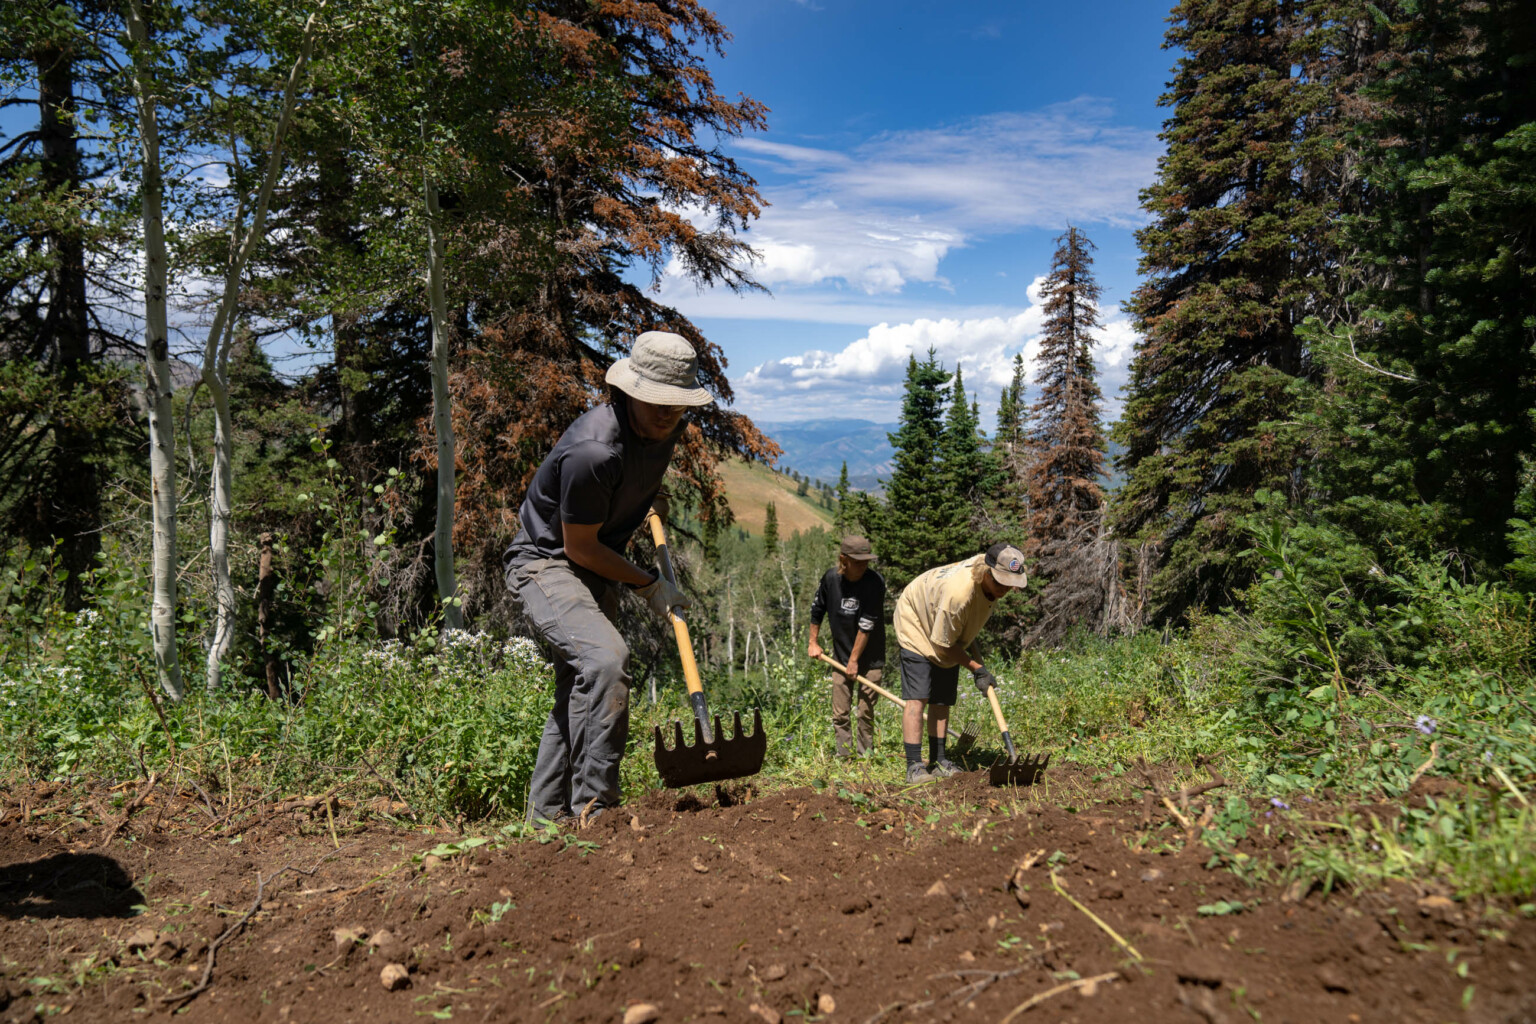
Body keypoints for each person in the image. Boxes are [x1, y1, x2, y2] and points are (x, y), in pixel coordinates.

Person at [505, 331, 713, 825]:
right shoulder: (594, 450)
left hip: (596, 561)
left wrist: (647, 496)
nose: (667, 413)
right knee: (606, 662)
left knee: (580, 690)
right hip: (547, 562)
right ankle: (597, 810)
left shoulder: (665, 427)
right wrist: (649, 584)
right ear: (629, 391)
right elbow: (579, 546)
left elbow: (638, 473)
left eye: (677, 404)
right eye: (657, 401)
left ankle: (545, 818)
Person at [892, 543, 1028, 783]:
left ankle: (938, 761)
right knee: (918, 697)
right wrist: (976, 669)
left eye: (1010, 583)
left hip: (943, 622)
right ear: (987, 573)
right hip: (916, 620)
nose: (1005, 589)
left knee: (942, 698)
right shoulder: (959, 595)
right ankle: (914, 766)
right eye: (1001, 583)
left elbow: (952, 635)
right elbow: (943, 645)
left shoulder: (990, 568)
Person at [807, 536, 887, 758]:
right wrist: (813, 642)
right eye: (858, 561)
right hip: (840, 657)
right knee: (840, 713)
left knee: (865, 712)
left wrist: (854, 661)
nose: (863, 566)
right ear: (843, 559)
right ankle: (845, 757)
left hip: (871, 658)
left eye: (866, 561)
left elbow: (866, 624)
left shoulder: (875, 582)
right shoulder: (830, 579)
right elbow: (817, 610)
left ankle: (865, 756)